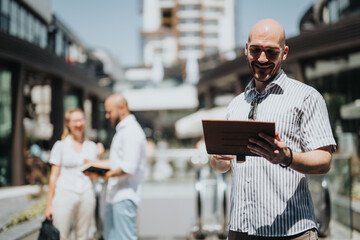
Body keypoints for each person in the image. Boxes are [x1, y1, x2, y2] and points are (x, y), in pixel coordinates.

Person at [209, 19, 336, 239]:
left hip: (291, 231)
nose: (262, 58)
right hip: (240, 229)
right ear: (246, 50)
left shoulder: (307, 97)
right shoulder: (236, 104)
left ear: (284, 53)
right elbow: (219, 166)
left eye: (271, 52)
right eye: (256, 50)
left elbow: (324, 161)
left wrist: (287, 157)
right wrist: (218, 159)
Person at [86, 93, 147, 240]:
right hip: (115, 196)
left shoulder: (131, 131)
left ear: (122, 108)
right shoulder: (123, 131)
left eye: (109, 111)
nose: (107, 116)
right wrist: (93, 165)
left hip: (125, 196)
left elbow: (128, 167)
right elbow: (116, 163)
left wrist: (104, 175)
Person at [45, 107, 103, 240]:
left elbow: (95, 177)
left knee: (83, 236)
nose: (78, 124)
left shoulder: (92, 147)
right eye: (75, 121)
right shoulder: (60, 146)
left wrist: (99, 158)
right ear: (68, 124)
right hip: (65, 193)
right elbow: (53, 176)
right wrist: (49, 205)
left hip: (86, 194)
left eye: (81, 120)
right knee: (61, 235)